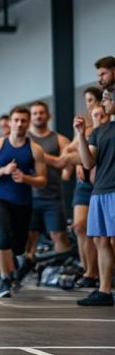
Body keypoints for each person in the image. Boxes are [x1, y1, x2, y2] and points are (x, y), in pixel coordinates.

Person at [0, 106, 47, 298]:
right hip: (0, 200)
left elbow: (42, 181)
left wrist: (25, 178)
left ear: (28, 123)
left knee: (18, 247)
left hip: (23, 203)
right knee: (2, 239)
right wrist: (3, 170)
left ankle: (17, 267)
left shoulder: (35, 150)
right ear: (9, 122)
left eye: (23, 120)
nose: (19, 124)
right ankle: (5, 279)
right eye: (16, 120)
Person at [73, 89, 115, 306]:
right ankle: (104, 291)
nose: (103, 103)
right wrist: (81, 135)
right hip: (100, 190)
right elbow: (88, 162)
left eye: (107, 99)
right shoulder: (99, 131)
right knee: (101, 240)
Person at [62, 89, 106, 289]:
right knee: (79, 226)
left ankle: (100, 274)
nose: (90, 105)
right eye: (87, 101)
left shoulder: (107, 127)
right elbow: (69, 150)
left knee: (102, 234)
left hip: (103, 181)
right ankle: (88, 271)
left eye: (92, 100)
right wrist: (80, 161)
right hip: (84, 184)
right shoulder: (85, 129)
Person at [24, 101, 72, 267]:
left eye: (41, 112)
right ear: (31, 117)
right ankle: (26, 271)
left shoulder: (60, 140)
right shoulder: (23, 139)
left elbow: (64, 164)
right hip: (28, 196)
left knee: (59, 236)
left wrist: (40, 155)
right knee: (29, 237)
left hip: (53, 196)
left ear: (48, 115)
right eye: (35, 113)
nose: (38, 116)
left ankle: (61, 271)